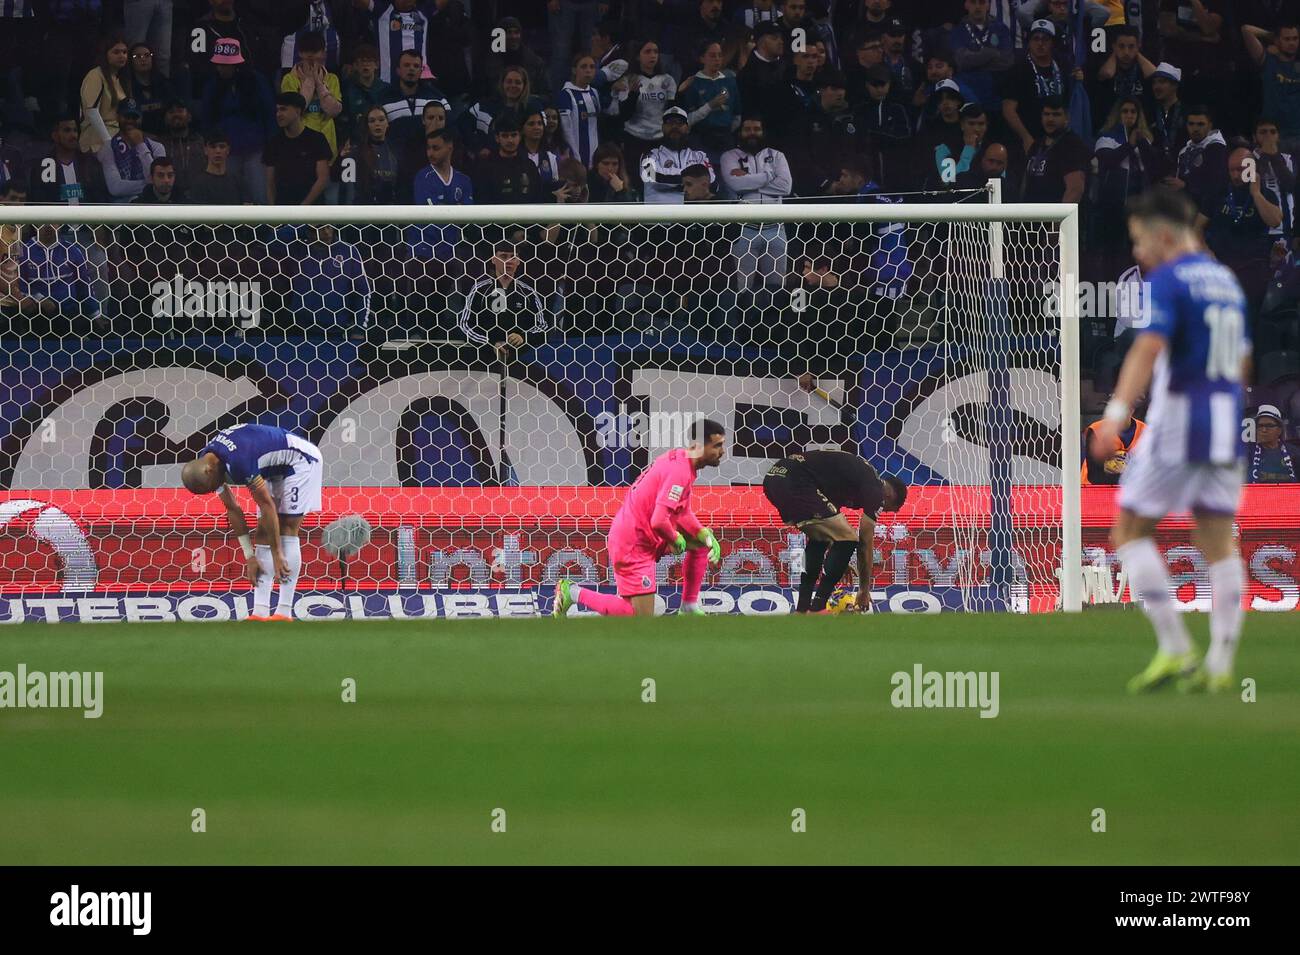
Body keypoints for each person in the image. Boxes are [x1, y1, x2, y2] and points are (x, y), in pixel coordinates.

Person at [1091, 187, 1249, 694]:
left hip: (1180, 421)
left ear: (1163, 234)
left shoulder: (1169, 279)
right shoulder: (1225, 281)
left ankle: (1176, 647)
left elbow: (1147, 348)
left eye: (1139, 241)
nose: (1137, 253)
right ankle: (1221, 664)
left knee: (1130, 530)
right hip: (1226, 423)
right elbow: (1244, 361)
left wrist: (1115, 415)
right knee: (1219, 541)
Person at [552, 419, 727, 618]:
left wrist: (703, 534)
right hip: (633, 543)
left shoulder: (682, 460)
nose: (722, 451)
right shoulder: (679, 472)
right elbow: (659, 521)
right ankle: (572, 592)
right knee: (638, 617)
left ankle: (688, 607)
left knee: (700, 542)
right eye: (717, 446)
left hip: (646, 535)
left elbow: (683, 513)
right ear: (697, 446)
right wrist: (675, 539)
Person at [181, 424, 324, 622]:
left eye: (212, 486)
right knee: (262, 534)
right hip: (271, 467)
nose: (216, 488)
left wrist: (277, 553)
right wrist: (249, 556)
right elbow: (233, 509)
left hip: (300, 461)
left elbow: (267, 506)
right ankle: (260, 611)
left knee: (287, 528)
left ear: (209, 471)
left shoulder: (239, 461)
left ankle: (284, 611)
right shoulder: (209, 459)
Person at [762, 449, 907, 613]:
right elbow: (865, 543)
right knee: (851, 538)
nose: (881, 512)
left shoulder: (848, 482)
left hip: (774, 478)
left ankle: (802, 609)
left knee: (819, 538)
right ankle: (818, 607)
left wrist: (838, 557)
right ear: (888, 496)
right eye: (886, 509)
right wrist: (864, 590)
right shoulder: (875, 487)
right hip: (796, 480)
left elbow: (830, 530)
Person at [263, 91, 331, 205]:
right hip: (283, 211)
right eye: (277, 110)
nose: (278, 114)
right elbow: (270, 183)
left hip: (312, 212)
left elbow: (322, 179)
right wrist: (273, 213)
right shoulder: (273, 142)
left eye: (283, 109)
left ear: (298, 111)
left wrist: (301, 208)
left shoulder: (317, 139)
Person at [641, 107, 715, 203]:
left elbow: (711, 180)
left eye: (680, 123)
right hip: (660, 211)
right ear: (663, 127)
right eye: (670, 122)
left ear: (687, 128)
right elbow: (650, 177)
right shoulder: (650, 154)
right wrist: (692, 181)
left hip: (692, 211)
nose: (674, 126)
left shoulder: (699, 156)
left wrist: (672, 178)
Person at [79, 36, 133, 154]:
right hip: (98, 137)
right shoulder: (95, 75)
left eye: (124, 52)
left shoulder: (121, 79)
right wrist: (109, 142)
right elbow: (92, 112)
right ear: (105, 55)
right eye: (116, 52)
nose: (122, 56)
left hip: (119, 133)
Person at [1081, 406, 1146, 485]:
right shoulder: (1096, 429)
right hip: (1092, 488)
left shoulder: (1146, 431)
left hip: (1134, 488)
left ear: (1132, 409)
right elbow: (1094, 476)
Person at [189, 129, 250, 204]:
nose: (218, 151)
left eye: (222, 146)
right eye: (213, 147)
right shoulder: (198, 183)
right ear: (205, 150)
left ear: (228, 150)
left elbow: (247, 211)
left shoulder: (238, 182)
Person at [1246, 404, 1297, 482]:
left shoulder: (1294, 453)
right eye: (1260, 426)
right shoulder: (1248, 452)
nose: (1263, 430)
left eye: (1269, 425)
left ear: (1279, 430)